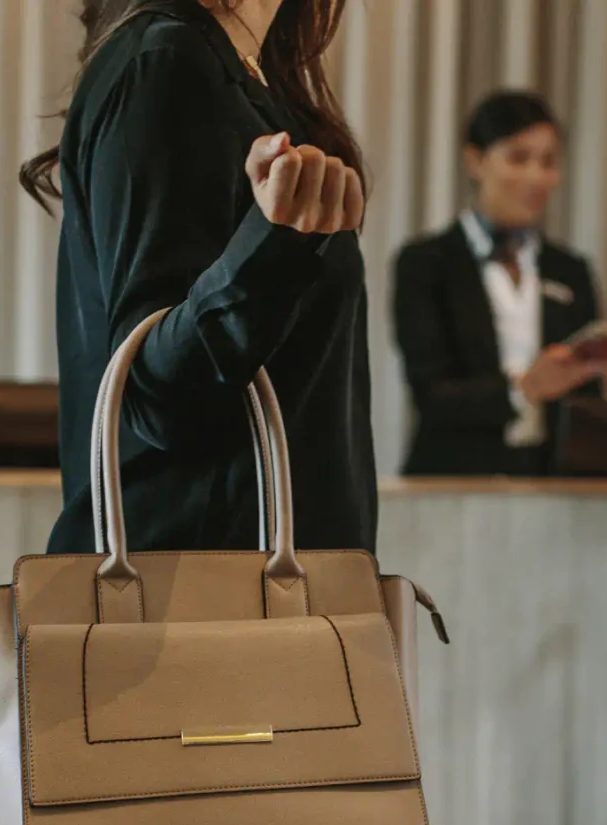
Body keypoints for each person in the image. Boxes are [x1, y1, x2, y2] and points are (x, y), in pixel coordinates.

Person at [23, 0, 376, 556]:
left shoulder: (255, 84)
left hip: (277, 592)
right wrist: (275, 242)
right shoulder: (166, 59)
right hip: (196, 602)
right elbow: (151, 396)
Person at [393, 91, 607, 476]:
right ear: (475, 161)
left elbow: (581, 402)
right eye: (518, 158)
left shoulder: (570, 270)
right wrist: (525, 389)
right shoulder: (426, 263)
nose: (537, 177)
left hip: (550, 482)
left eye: (548, 161)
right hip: (452, 479)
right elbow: (431, 394)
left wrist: (605, 385)